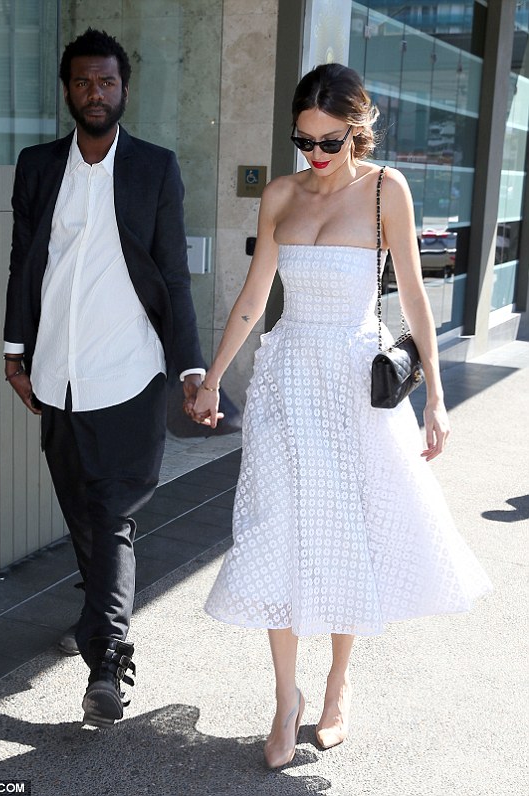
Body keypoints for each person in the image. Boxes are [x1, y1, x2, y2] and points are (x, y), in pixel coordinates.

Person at [192, 63, 492, 768]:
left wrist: (436, 397)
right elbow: (255, 297)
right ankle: (285, 699)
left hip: (354, 383)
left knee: (344, 530)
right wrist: (213, 377)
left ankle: (337, 682)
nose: (317, 154)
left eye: (330, 141)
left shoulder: (387, 190)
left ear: (357, 130)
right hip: (287, 379)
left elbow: (414, 296)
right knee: (278, 528)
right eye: (304, 141)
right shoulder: (281, 194)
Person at [3, 28, 205, 728]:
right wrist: (15, 352)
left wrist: (191, 366)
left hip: (130, 373)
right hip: (57, 373)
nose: (96, 92)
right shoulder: (37, 167)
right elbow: (23, 262)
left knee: (113, 515)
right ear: (68, 89)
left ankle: (108, 663)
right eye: (84, 81)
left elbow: (173, 275)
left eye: (108, 81)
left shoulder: (154, 168)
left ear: (124, 89)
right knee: (82, 516)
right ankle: (98, 615)